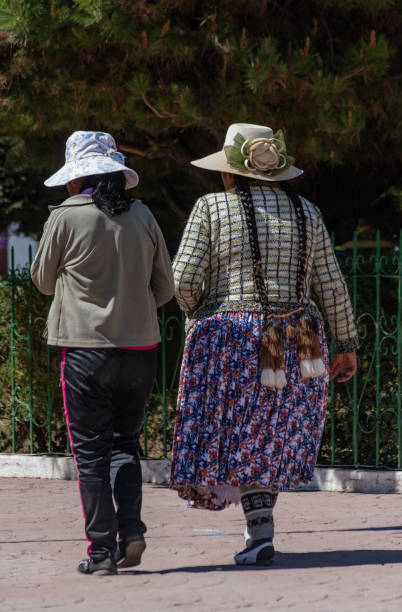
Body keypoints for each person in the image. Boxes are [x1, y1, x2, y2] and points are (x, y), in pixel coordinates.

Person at [170, 123, 357, 565]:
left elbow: (183, 280)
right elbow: (331, 285)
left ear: (229, 173)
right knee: (269, 432)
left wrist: (201, 312)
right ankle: (260, 534)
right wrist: (346, 343)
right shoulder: (307, 212)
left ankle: (260, 538)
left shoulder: (212, 207)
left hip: (234, 333)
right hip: (300, 336)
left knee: (242, 431)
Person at [31, 131, 174, 575]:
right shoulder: (145, 215)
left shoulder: (65, 217)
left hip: (85, 353)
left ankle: (100, 550)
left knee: (90, 454)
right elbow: (166, 289)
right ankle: (131, 531)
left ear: (75, 180)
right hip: (140, 351)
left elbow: (41, 280)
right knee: (125, 445)